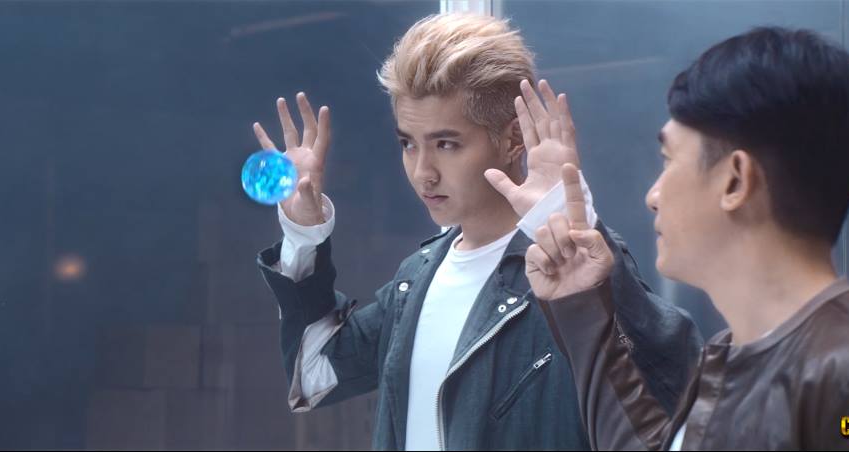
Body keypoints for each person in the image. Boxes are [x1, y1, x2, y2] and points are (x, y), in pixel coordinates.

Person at [251, 13, 700, 450]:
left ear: (513, 140)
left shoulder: (567, 271)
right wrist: (304, 231)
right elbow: (314, 376)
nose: (423, 172)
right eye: (408, 143)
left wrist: (563, 222)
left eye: (446, 144)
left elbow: (667, 395)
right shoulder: (417, 277)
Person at [527, 27, 849, 450]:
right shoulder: (732, 354)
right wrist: (578, 301)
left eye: (667, 159)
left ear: (736, 180)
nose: (653, 196)